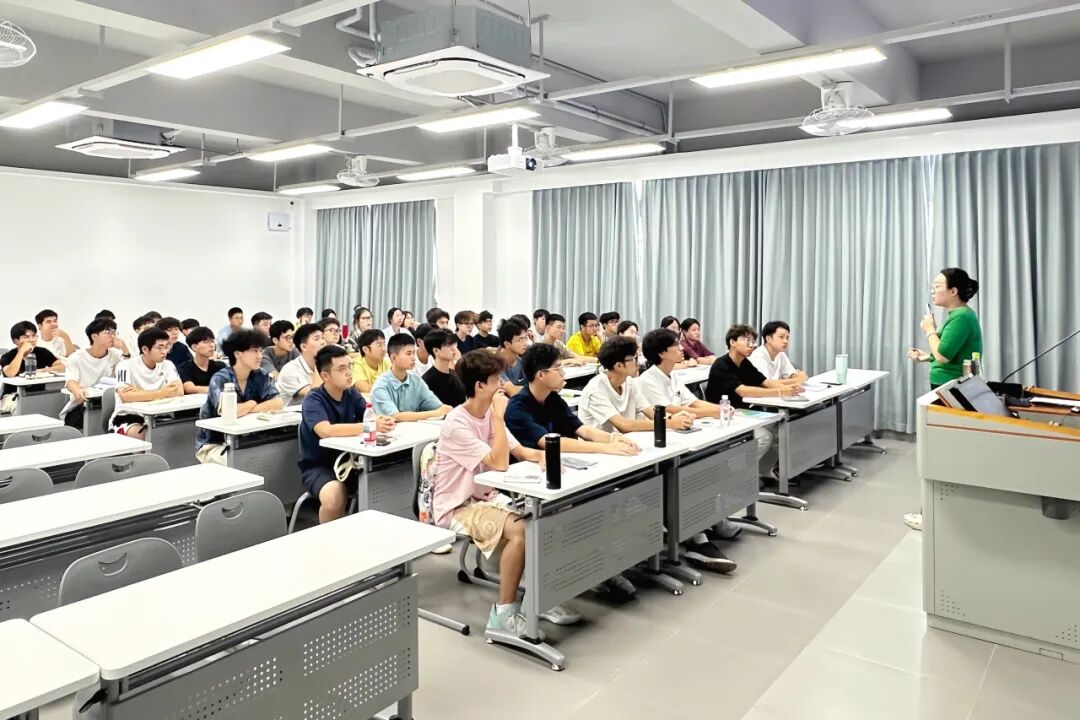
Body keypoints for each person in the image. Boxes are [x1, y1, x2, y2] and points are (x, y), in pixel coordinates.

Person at [432, 349, 580, 636]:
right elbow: (499, 463)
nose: (503, 385)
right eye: (497, 380)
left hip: (487, 498)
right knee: (521, 530)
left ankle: (538, 599)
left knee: (545, 520)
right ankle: (503, 614)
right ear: (480, 386)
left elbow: (520, 451)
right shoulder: (457, 423)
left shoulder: (489, 412)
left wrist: (543, 458)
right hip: (458, 506)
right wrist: (499, 419)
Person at [503, 343, 644, 598]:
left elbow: (581, 429)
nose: (563, 372)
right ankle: (571, 571)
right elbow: (550, 442)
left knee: (598, 500)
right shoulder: (517, 407)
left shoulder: (553, 399)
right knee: (580, 511)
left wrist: (612, 439)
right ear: (540, 375)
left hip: (562, 470)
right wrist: (605, 449)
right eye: (558, 368)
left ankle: (596, 565)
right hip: (529, 482)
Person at [636, 329, 746, 570]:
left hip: (681, 435)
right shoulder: (647, 380)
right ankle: (697, 538)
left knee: (710, 466)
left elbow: (692, 402)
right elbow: (671, 410)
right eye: (676, 345)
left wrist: (720, 408)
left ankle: (712, 519)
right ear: (662, 353)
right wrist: (716, 411)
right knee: (691, 477)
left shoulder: (672, 375)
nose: (681, 348)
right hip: (661, 445)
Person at [905, 267, 983, 531]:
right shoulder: (959, 316)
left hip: (949, 388)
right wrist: (925, 356)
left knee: (939, 449)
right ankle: (935, 513)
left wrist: (930, 330)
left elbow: (944, 355)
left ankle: (932, 517)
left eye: (938, 285)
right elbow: (946, 353)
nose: (933, 290)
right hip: (950, 385)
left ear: (953, 291)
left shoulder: (961, 317)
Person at [299, 345, 395, 523]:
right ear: (325, 375)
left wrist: (381, 420)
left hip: (352, 462)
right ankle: (331, 539)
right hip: (320, 467)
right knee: (334, 497)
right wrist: (368, 427)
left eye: (350, 366)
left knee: (387, 478)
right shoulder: (314, 399)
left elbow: (368, 416)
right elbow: (326, 430)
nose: (349, 373)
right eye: (342, 369)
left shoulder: (351, 393)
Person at [705, 325, 801, 480]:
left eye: (752, 341)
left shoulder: (745, 363)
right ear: (732, 342)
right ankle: (735, 478)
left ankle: (763, 472)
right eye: (746, 340)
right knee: (763, 437)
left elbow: (766, 383)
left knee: (779, 430)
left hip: (742, 413)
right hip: (721, 417)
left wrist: (790, 387)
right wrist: (780, 392)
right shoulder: (721, 365)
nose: (751, 345)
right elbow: (743, 391)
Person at [195, 329, 283, 464]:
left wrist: (246, 408)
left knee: (275, 456)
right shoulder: (220, 378)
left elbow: (277, 403)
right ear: (237, 354)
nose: (260, 356)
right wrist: (252, 403)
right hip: (215, 444)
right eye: (254, 351)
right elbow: (229, 412)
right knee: (248, 462)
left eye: (260, 351)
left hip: (248, 440)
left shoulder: (261, 375)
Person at [579, 337, 695, 434]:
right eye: (635, 359)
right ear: (619, 366)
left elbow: (649, 411)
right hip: (600, 447)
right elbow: (623, 425)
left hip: (627, 441)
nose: (639, 363)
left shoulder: (629, 382)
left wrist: (673, 418)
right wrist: (669, 423)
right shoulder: (596, 390)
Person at [111, 327, 183, 439]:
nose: (164, 352)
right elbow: (126, 396)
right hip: (129, 416)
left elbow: (178, 391)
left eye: (166, 347)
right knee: (142, 433)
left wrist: (138, 393)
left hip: (160, 413)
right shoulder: (125, 365)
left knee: (181, 431)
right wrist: (163, 392)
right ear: (145, 349)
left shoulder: (168, 364)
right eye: (159, 348)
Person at [370, 334, 451, 421]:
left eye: (413, 353)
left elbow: (436, 405)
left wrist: (445, 410)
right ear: (393, 357)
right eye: (408, 354)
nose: (413, 358)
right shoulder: (381, 386)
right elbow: (395, 416)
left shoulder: (416, 380)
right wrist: (434, 413)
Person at [61, 317, 124, 428]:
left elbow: (127, 374)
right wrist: (77, 390)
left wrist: (125, 350)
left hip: (110, 402)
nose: (113, 337)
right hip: (82, 404)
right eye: (108, 333)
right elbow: (71, 381)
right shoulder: (76, 357)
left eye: (114, 333)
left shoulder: (116, 354)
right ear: (94, 336)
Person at [276, 322, 325, 406]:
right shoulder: (290, 370)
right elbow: (316, 396)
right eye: (317, 339)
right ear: (303, 347)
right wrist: (320, 363)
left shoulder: (327, 364)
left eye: (323, 338)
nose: (323, 342)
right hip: (291, 413)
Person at [422, 328, 467, 407]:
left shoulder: (455, 374)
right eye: (449, 345)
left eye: (454, 344)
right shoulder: (427, 381)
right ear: (436, 351)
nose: (454, 349)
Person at [178, 327, 226, 394]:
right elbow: (189, 388)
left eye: (212, 341)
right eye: (206, 342)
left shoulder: (220, 366)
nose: (212, 345)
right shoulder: (184, 368)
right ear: (194, 347)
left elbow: (230, 385)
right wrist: (217, 389)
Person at [496, 318, 530, 397]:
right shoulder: (496, 365)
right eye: (519, 340)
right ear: (507, 344)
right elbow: (512, 391)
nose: (525, 343)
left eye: (525, 338)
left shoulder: (522, 361)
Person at [351, 329, 389, 393]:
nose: (384, 349)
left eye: (384, 344)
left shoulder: (386, 362)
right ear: (365, 349)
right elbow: (365, 389)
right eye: (379, 345)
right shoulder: (356, 364)